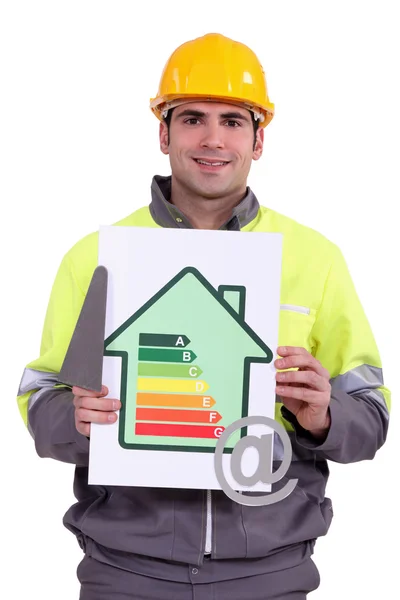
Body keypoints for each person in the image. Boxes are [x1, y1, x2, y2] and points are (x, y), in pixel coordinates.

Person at [16, 32, 391, 599]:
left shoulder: (315, 259)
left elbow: (372, 416)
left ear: (259, 140)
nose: (213, 138)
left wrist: (324, 416)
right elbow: (40, 399)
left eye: (234, 121)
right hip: (125, 573)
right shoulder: (95, 257)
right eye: (192, 118)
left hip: (269, 573)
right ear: (163, 133)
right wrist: (74, 415)